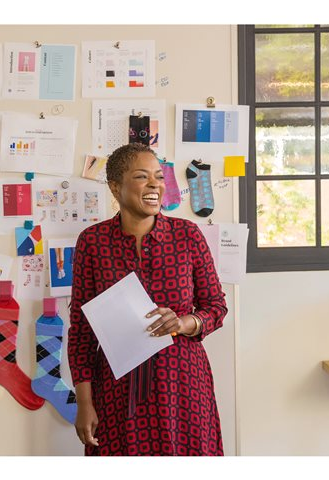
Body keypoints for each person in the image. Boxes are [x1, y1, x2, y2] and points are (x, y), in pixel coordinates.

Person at [68, 143, 227, 456]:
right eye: (142, 176)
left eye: (159, 176)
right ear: (116, 187)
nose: (155, 184)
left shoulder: (188, 235)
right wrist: (84, 403)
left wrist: (184, 323)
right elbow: (82, 332)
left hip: (182, 384)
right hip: (117, 387)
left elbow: (216, 308)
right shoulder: (93, 242)